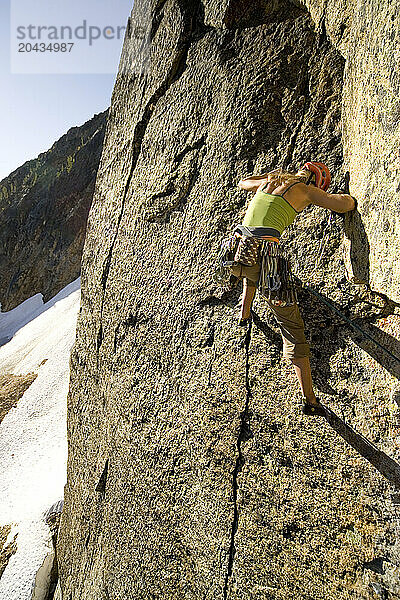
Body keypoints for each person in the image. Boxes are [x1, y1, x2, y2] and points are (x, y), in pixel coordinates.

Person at [230, 162, 356, 416]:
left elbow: (244, 181)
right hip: (264, 259)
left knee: (253, 272)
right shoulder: (306, 191)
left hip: (238, 253)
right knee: (292, 327)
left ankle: (244, 313)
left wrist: (270, 175)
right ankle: (309, 398)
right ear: (317, 180)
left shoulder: (269, 182)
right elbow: (346, 204)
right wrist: (336, 195)